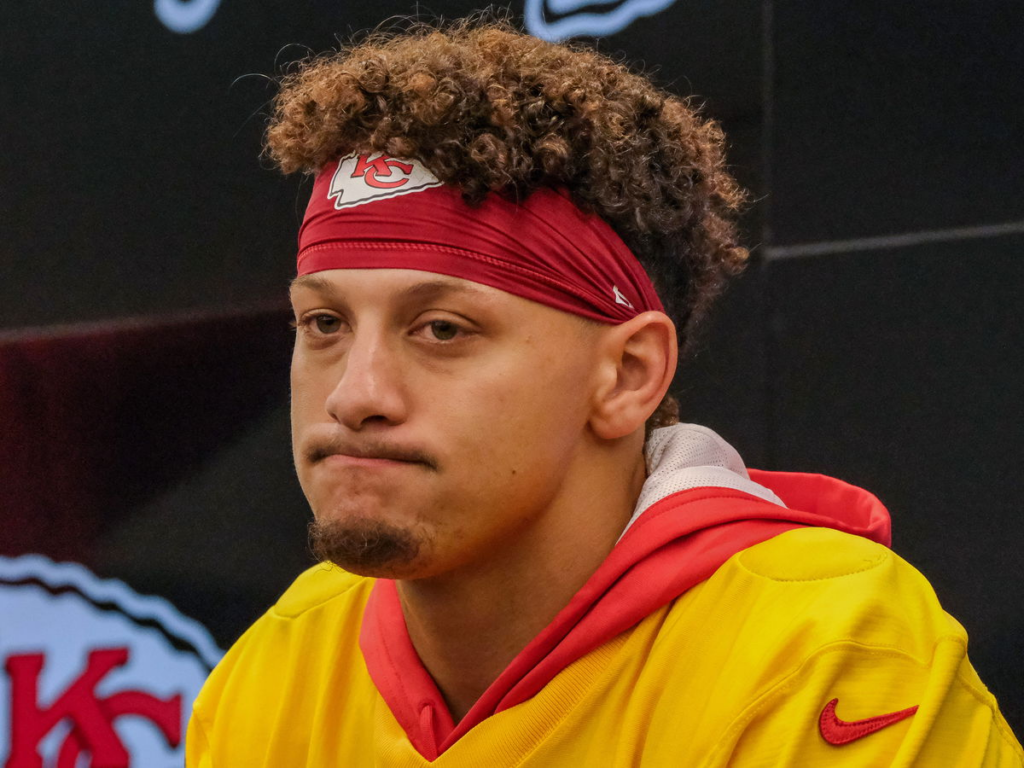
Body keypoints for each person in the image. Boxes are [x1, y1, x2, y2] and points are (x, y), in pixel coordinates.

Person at [186, 20, 1022, 766]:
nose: (354, 394)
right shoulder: (277, 667)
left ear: (627, 375)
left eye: (442, 329)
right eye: (324, 323)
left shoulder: (825, 658)